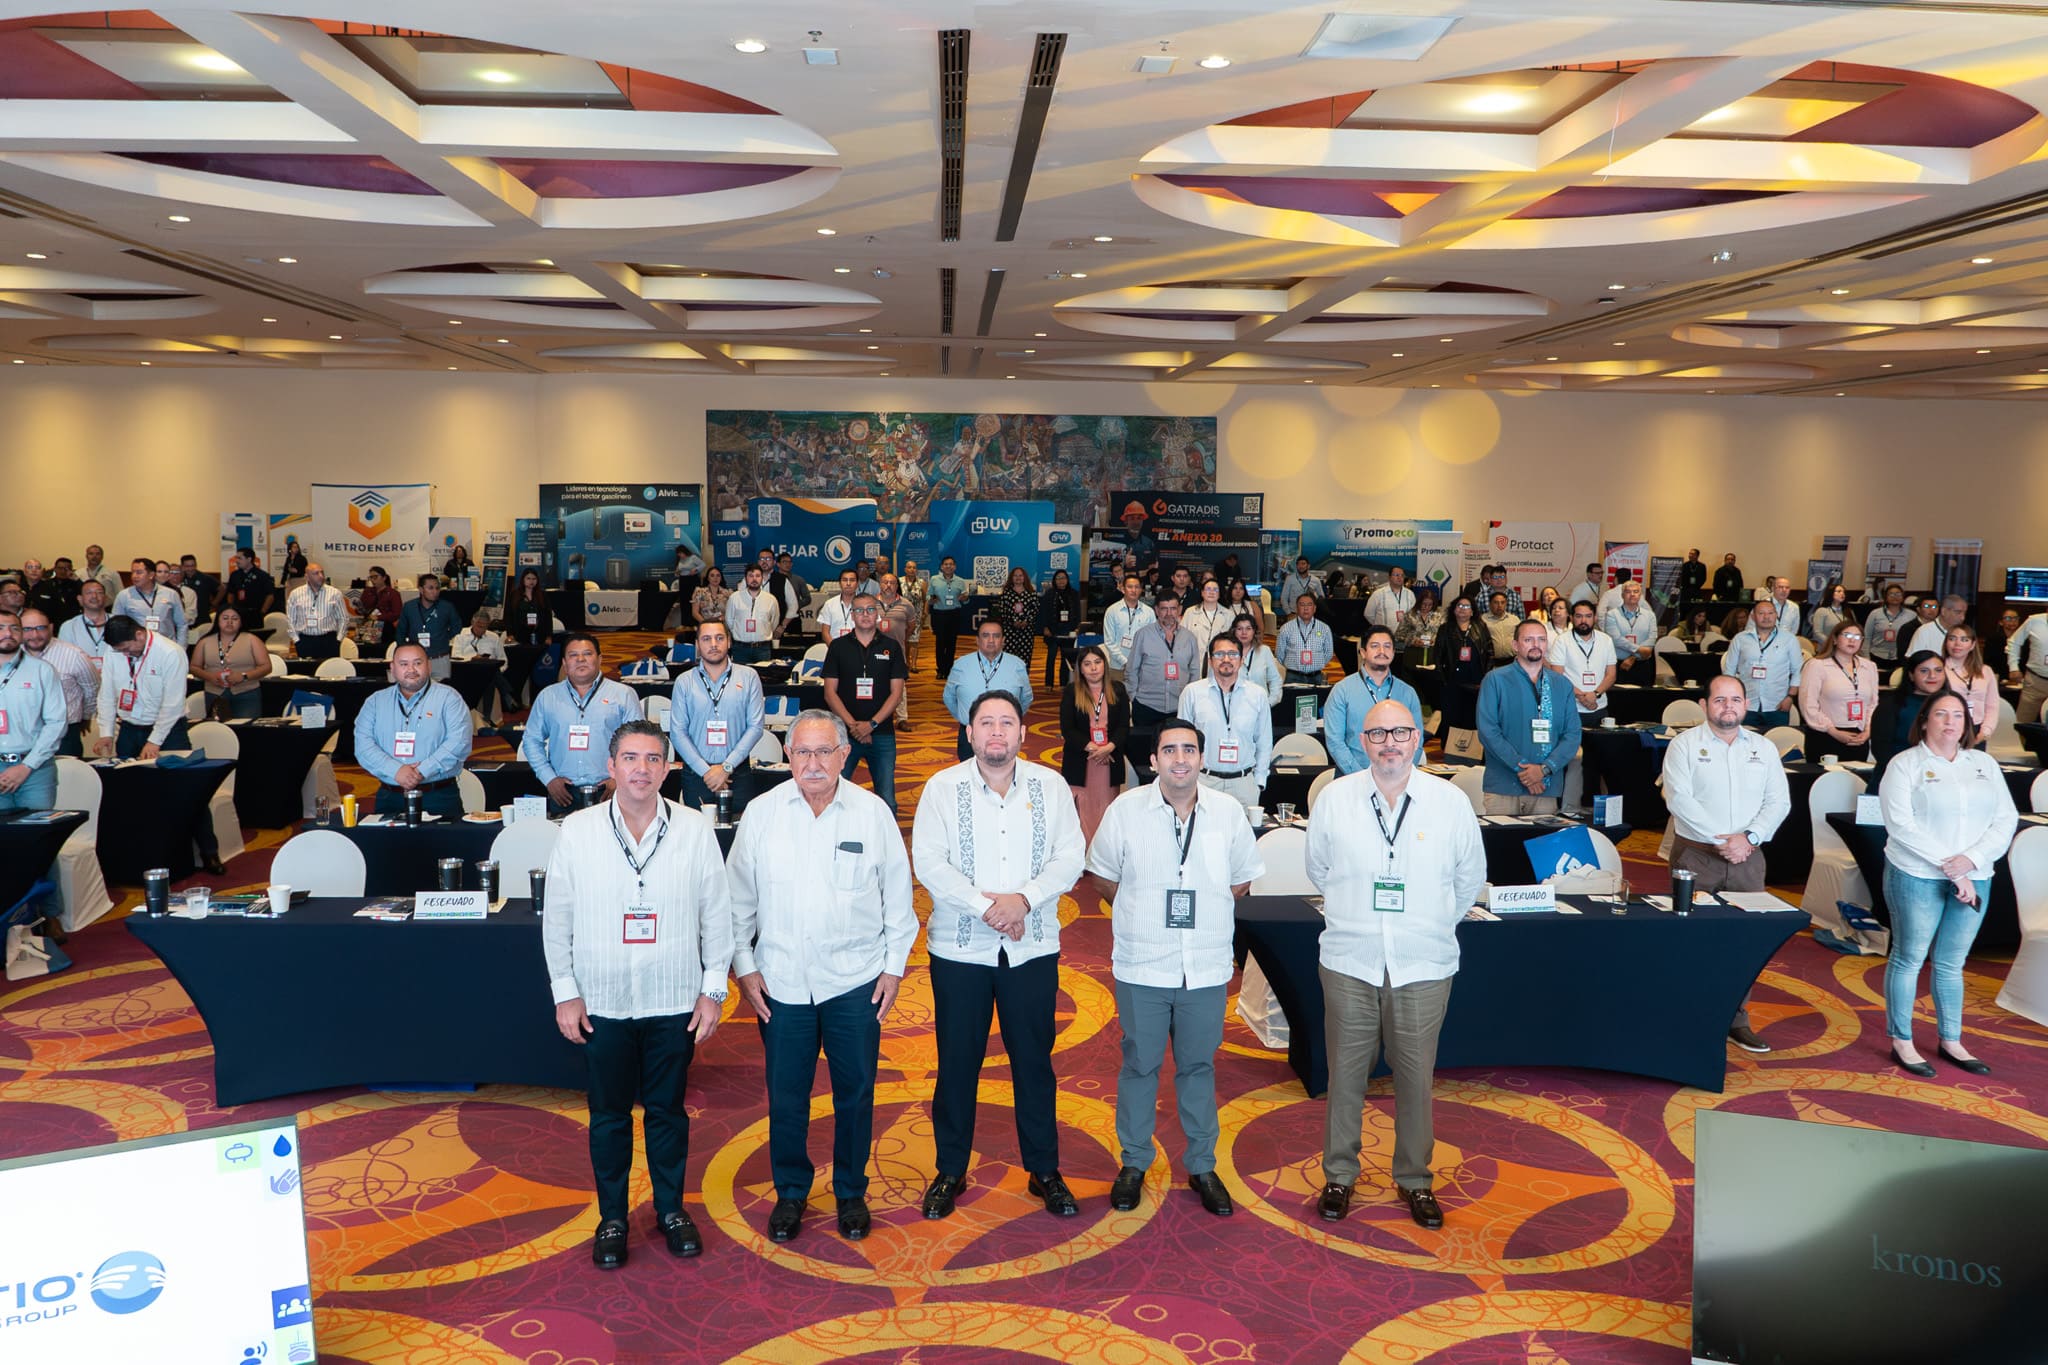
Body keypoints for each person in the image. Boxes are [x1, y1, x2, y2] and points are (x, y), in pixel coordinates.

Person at [544, 720, 731, 1268]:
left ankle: (671, 1209)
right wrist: (565, 993)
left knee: (667, 1112)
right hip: (601, 999)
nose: (641, 770)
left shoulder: (694, 829)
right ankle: (613, 1218)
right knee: (608, 1115)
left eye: (653, 759)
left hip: (674, 997)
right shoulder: (578, 830)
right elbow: (558, 919)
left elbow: (717, 914)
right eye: (630, 758)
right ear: (611, 767)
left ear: (668, 768)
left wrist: (713, 990)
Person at [726, 709, 915, 1245]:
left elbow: (899, 899)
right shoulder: (761, 814)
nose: (813, 763)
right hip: (781, 983)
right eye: (803, 752)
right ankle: (791, 1192)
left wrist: (893, 969)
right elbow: (737, 901)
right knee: (787, 1096)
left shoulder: (872, 814)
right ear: (788, 756)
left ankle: (851, 1191)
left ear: (844, 755)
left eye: (824, 751)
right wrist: (746, 967)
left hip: (855, 983)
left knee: (856, 1093)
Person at [1309, 698, 1484, 1230]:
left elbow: (1468, 878)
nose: (1390, 743)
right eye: (1378, 734)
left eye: (1400, 732)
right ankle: (1339, 1175)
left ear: (1417, 739)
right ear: (1363, 742)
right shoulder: (1335, 798)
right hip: (1350, 960)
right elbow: (1318, 870)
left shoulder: (1449, 802)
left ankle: (1414, 1178)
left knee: (1415, 1078)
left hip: (1422, 964)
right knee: (1344, 1077)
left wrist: (1427, 924)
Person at [911, 690, 1086, 1221]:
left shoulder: (1051, 786)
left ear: (1022, 734)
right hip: (960, 949)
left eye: (1006, 723)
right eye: (985, 723)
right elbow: (929, 862)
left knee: (1033, 1062)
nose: (996, 732)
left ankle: (1044, 1169)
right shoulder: (942, 788)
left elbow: (1070, 856)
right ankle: (950, 1168)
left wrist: (1024, 901)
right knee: (956, 1062)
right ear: (969, 733)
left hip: (1031, 948)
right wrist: (988, 908)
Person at [1087, 719, 1264, 1218]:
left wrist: (1206, 913)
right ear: (1153, 760)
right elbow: (1102, 875)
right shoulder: (1125, 811)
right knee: (1139, 1065)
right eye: (1169, 750)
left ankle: (1202, 1165)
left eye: (1189, 749)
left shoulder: (1227, 813)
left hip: (1204, 966)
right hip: (1142, 963)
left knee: (1198, 1067)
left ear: (1201, 759)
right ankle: (1134, 1162)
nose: (1180, 759)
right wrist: (1139, 911)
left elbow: (1241, 881)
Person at [1878, 690, 2018, 1079]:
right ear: (1925, 721)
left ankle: (1951, 1039)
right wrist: (1953, 868)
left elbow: (2005, 819)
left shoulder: (1983, 763)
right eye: (1941, 714)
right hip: (1916, 874)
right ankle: (1902, 1039)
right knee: (1909, 957)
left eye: (1958, 715)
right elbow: (1901, 825)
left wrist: (1971, 860)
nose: (1950, 722)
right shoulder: (1905, 764)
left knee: (1952, 962)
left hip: (1976, 875)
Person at [1660, 675, 1792, 1054]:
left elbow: (1778, 802)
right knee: (1691, 941)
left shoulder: (1763, 748)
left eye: (1735, 699)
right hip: (1697, 856)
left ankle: (1737, 1019)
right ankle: (1686, 1017)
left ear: (1746, 705)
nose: (1728, 707)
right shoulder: (1684, 745)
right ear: (1705, 705)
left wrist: (1748, 838)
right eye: (1719, 700)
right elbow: (1679, 800)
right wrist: (1724, 841)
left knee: (1743, 942)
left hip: (1748, 857)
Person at [523, 634, 640, 814]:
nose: (580, 659)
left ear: (599, 659)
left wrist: (620, 778)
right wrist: (549, 779)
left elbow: (638, 743)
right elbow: (531, 740)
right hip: (563, 793)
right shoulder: (548, 697)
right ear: (564, 663)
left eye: (587, 653)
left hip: (610, 790)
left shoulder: (623, 694)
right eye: (573, 655)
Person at [354, 642, 473, 819]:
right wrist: (396, 771)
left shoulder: (449, 698)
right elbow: (363, 746)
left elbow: (459, 743)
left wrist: (421, 771)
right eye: (404, 664)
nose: (411, 669)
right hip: (390, 797)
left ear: (429, 665)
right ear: (392, 668)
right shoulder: (375, 702)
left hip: (438, 796)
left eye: (418, 663)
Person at [1475, 618, 1580, 815]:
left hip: (1546, 786)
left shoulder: (1562, 684)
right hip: (1503, 786)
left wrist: (1543, 770)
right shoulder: (1495, 680)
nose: (1536, 645)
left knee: (1543, 836)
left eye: (1541, 639)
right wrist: (1524, 770)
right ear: (1515, 645)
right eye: (1528, 640)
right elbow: (1488, 732)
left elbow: (1572, 735)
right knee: (1501, 837)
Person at [668, 620, 765, 815]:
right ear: (697, 645)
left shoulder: (749, 677)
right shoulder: (684, 682)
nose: (713, 644)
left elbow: (755, 726)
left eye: (719, 638)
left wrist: (726, 767)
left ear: (729, 641)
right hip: (696, 774)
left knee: (739, 830)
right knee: (698, 830)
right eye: (706, 639)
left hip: (737, 772)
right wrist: (706, 771)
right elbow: (677, 732)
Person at [821, 593, 907, 810]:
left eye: (870, 609)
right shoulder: (838, 647)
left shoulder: (891, 647)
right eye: (859, 610)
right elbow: (830, 693)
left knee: (887, 799)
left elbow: (896, 694)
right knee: (835, 796)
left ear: (877, 614)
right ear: (852, 615)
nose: (865, 614)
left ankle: (887, 834)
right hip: (844, 735)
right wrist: (854, 726)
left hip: (882, 733)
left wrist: (872, 724)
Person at [1176, 634, 1272, 808]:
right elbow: (1182, 742)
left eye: (1232, 654)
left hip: (1244, 784)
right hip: (1205, 781)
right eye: (1219, 654)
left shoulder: (1257, 695)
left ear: (1241, 660)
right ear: (1210, 660)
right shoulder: (1192, 693)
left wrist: (1259, 781)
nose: (1226, 659)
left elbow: (1264, 742)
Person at [1325, 625, 1424, 775]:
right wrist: (1362, 778)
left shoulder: (1407, 693)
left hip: (1397, 780)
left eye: (1387, 646)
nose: (1382, 651)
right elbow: (1335, 742)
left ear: (1393, 652)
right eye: (1375, 646)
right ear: (1363, 652)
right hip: (1352, 779)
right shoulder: (1342, 690)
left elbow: (1417, 741)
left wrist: (1401, 774)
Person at [93, 616, 192, 762]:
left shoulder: (170, 653)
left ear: (139, 635)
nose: (125, 654)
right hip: (129, 728)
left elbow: (173, 703)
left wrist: (155, 741)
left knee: (171, 774)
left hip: (168, 729)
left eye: (126, 649)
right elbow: (106, 694)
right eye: (120, 650)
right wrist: (106, 732)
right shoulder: (113, 651)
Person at [1549, 599, 1616, 807]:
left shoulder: (1605, 640)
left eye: (1588, 616)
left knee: (1596, 760)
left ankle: (1590, 805)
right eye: (1578, 616)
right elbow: (1557, 675)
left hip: (1598, 708)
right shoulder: (1562, 641)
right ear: (1571, 618)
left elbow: (1611, 674)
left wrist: (1595, 694)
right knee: (1565, 759)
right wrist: (1581, 696)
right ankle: (1561, 805)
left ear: (1594, 618)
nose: (1583, 620)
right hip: (1570, 710)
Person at [0, 609, 67, 814]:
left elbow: (57, 722)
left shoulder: (42, 670)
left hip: (35, 769)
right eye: (0, 628)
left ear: (21, 634)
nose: (8, 633)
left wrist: (26, 766)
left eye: (14, 628)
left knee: (36, 830)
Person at [1060, 644, 1128, 842]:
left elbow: (1124, 726)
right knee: (1082, 811)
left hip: (1109, 760)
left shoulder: (1118, 689)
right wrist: (1094, 748)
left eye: (1097, 662)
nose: (1093, 668)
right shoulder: (1072, 691)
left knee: (1107, 809)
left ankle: (1104, 851)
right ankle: (1083, 851)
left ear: (1104, 665)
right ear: (1080, 669)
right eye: (1087, 664)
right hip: (1082, 759)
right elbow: (1067, 729)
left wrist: (1109, 747)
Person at [941, 618, 1034, 761]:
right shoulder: (961, 665)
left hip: (1005, 735)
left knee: (1003, 772)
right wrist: (964, 718)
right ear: (977, 640)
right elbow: (949, 697)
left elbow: (1026, 698)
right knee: (969, 772)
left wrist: (1011, 719)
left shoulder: (1017, 665)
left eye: (996, 636)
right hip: (970, 734)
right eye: (985, 635)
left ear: (1003, 640)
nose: (991, 640)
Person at [1798, 620, 1880, 761]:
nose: (1852, 640)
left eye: (1857, 637)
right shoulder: (1817, 665)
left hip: (1859, 736)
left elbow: (1873, 704)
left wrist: (1868, 730)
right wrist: (1833, 731)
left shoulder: (1869, 666)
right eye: (1847, 635)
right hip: (1825, 735)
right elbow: (1808, 705)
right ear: (1835, 639)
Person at [19, 609, 96, 757]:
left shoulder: (74, 655)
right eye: (27, 629)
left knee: (67, 771)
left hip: (65, 734)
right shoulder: (10, 656)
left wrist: (85, 717)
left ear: (51, 628)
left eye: (40, 628)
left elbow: (91, 690)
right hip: (24, 732)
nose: (35, 635)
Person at [1720, 598, 1802, 728]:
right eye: (1761, 613)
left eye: (1770, 613)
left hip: (1778, 704)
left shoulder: (1789, 639)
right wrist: (1732, 699)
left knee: (1776, 740)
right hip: (1746, 704)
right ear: (1753, 616)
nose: (1766, 617)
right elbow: (1729, 671)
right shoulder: (1740, 639)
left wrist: (1791, 697)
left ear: (1776, 615)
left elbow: (1797, 671)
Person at [1124, 595, 1198, 735]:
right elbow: (1131, 669)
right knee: (1145, 747)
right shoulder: (1143, 635)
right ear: (1157, 610)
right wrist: (1133, 696)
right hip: (1147, 706)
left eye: (1173, 609)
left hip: (1179, 708)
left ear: (1179, 610)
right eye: (1164, 609)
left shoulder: (1190, 638)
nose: (1169, 613)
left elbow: (1194, 671)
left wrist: (1190, 701)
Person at [1870, 651, 1949, 771]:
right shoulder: (1891, 704)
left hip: (1940, 773)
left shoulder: (1952, 703)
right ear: (1911, 675)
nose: (1932, 676)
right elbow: (1881, 749)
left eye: (1938, 670)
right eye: (1924, 671)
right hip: (1898, 772)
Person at [189, 605, 270, 721]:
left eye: (235, 618)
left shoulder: (252, 640)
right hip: (215, 693)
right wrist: (210, 677)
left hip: (247, 692)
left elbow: (266, 667)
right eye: (225, 618)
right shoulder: (205, 642)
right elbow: (194, 667)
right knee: (217, 729)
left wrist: (243, 676)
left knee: (246, 729)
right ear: (218, 620)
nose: (230, 622)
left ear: (241, 622)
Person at [1432, 595, 1491, 745]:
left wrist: (1486, 677)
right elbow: (1437, 655)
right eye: (1459, 605)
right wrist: (1442, 679)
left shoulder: (1480, 627)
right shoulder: (1445, 629)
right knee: (1451, 717)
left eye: (1466, 606)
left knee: (1472, 717)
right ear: (1453, 609)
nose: (1462, 609)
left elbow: (1489, 652)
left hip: (1476, 681)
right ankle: (1449, 750)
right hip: (1452, 680)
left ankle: (1472, 751)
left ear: (1472, 611)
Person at [1940, 623, 1999, 750]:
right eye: (1952, 639)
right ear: (1946, 643)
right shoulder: (1939, 670)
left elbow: (1992, 705)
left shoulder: (1986, 671)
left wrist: (1985, 731)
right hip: (1948, 727)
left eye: (1964, 640)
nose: (1957, 644)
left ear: (1972, 645)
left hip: (1977, 729)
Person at [395, 574, 464, 680]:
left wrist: (444, 638)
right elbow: (400, 632)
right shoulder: (409, 607)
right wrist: (406, 651)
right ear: (421, 589)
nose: (435, 592)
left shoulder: (447, 607)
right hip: (416, 659)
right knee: (416, 687)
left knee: (441, 689)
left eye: (437, 588)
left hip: (440, 657)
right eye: (430, 588)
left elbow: (457, 626)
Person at [112, 557, 187, 647]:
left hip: (166, 646)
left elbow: (182, 624)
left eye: (139, 572)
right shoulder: (124, 596)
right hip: (137, 648)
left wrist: (181, 647)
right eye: (132, 572)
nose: (134, 576)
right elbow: (116, 625)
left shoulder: (171, 594)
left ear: (151, 575)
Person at [285, 561, 349, 660]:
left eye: (322, 572)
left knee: (329, 669)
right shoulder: (295, 594)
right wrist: (296, 640)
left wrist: (338, 640)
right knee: (307, 669)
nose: (321, 576)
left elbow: (343, 618)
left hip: (329, 640)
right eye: (316, 573)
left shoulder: (335, 593)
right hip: (305, 640)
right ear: (307, 577)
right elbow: (290, 620)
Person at [1101, 574, 1155, 684]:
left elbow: (1152, 640)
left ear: (1141, 590)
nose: (1133, 590)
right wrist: (1126, 662)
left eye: (1137, 587)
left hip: (1141, 667)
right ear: (1123, 589)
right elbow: (1109, 642)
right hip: (1118, 666)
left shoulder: (1149, 612)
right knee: (1117, 694)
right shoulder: (1112, 611)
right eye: (1130, 587)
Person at [723, 563, 780, 665]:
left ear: (762, 578)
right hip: (740, 648)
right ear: (746, 578)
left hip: (763, 648)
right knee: (740, 675)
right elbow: (729, 620)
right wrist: (738, 632)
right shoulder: (735, 598)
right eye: (751, 576)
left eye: (757, 576)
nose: (754, 579)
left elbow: (774, 621)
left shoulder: (771, 599)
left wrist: (763, 631)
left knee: (763, 674)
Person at [1604, 580, 1658, 684]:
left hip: (1643, 665)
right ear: (1622, 595)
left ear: (1640, 595)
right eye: (1628, 592)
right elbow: (1616, 639)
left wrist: (1633, 657)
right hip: (1620, 664)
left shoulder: (1650, 615)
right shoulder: (1612, 615)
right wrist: (1638, 649)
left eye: (1636, 591)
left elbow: (1651, 639)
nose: (1632, 594)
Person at [1275, 593, 1334, 685]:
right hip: (1293, 676)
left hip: (1316, 677)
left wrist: (1316, 664)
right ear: (1296, 608)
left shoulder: (1324, 628)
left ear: (1314, 608)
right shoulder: (1286, 628)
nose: (1306, 608)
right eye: (1302, 605)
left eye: (1309, 605)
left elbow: (1328, 653)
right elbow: (1280, 655)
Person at [928, 556, 971, 676]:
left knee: (951, 642)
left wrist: (965, 598)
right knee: (940, 642)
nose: (948, 566)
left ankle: (949, 669)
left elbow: (965, 599)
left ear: (955, 567)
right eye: (946, 564)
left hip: (954, 614)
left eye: (951, 564)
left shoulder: (960, 581)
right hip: (939, 614)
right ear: (942, 567)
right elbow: (928, 596)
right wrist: (931, 599)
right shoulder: (934, 579)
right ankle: (940, 669)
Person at [59, 579, 114, 670]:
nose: (94, 596)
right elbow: (64, 660)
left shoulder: (119, 623)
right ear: (80, 599)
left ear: (105, 598)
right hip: (80, 676)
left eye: (99, 592)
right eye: (89, 593)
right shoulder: (69, 627)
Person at [993, 566, 1041, 667]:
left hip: (1026, 632)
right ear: (1011, 578)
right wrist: (1013, 622)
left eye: (1020, 575)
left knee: (1025, 658)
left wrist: (1026, 621)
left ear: (1025, 577)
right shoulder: (1006, 593)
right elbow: (1002, 610)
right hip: (1010, 631)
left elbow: (1035, 610)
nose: (1018, 577)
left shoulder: (1032, 593)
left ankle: (1023, 676)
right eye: (1015, 575)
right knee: (1008, 658)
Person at [2008, 606, 2048, 722]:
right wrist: (2013, 667)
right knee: (2022, 722)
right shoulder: (2034, 621)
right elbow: (2014, 642)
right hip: (2035, 681)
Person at [1230, 613, 1282, 700]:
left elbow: (1275, 680)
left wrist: (1270, 702)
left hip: (1261, 703)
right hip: (1235, 704)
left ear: (1254, 631)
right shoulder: (1227, 653)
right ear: (1234, 631)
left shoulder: (1264, 651)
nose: (1244, 633)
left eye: (1248, 628)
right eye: (1239, 629)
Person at [1183, 578, 1232, 668]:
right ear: (1202, 593)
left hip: (1220, 660)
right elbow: (1182, 637)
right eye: (1208, 589)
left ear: (1219, 594)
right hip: (1193, 659)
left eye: (1215, 590)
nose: (1211, 592)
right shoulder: (1190, 612)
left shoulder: (1228, 615)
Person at [221, 548, 276, 625]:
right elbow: (231, 593)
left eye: (240, 558)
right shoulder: (234, 575)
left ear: (249, 559)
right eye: (236, 558)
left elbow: (270, 596)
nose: (236, 561)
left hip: (256, 613)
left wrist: (262, 612)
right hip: (238, 613)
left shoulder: (262, 575)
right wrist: (230, 608)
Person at [1863, 585, 1914, 665]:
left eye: (1898, 594)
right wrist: (1866, 657)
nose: (1895, 596)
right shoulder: (1875, 613)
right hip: (1876, 655)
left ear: (1903, 597)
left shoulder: (1911, 615)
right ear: (1886, 597)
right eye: (1891, 594)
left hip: (1901, 657)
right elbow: (1867, 636)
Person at [502, 568, 553, 648]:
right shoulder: (514, 594)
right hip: (519, 635)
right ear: (523, 579)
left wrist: (549, 636)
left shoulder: (542, 595)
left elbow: (548, 616)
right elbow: (508, 615)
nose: (531, 581)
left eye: (534, 579)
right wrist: (510, 634)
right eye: (528, 578)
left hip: (539, 635)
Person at [1909, 594, 1968, 659]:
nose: (1962, 618)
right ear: (1943, 611)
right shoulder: (1924, 631)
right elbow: (1912, 659)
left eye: (1964, 613)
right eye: (1958, 612)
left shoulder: (1964, 633)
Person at [1364, 566, 1416, 633]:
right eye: (1397, 575)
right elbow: (1368, 614)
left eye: (1402, 575)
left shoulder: (1410, 594)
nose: (1400, 577)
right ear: (1389, 577)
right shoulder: (1378, 594)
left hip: (1405, 635)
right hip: (1384, 635)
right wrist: (1379, 627)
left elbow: (1414, 614)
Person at [359, 565, 403, 642]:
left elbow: (397, 614)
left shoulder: (393, 593)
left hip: (386, 627)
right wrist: (359, 609)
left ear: (384, 578)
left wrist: (379, 617)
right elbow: (363, 607)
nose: (373, 580)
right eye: (371, 577)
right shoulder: (367, 591)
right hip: (368, 626)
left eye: (375, 577)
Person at [816, 569, 861, 641]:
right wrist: (834, 647)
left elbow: (872, 630)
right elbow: (825, 633)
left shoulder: (865, 604)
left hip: (859, 646)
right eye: (845, 580)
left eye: (852, 580)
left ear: (857, 583)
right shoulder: (829, 604)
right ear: (839, 583)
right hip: (834, 645)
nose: (848, 583)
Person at [1480, 591, 1520, 656]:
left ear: (1506, 604)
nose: (1499, 605)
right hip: (1491, 660)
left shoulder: (1514, 619)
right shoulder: (1482, 620)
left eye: (1502, 602)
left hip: (1512, 658)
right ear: (1490, 604)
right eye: (1496, 602)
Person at [1764, 575, 1800, 640]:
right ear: (1772, 589)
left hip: (1786, 642)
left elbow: (1794, 631)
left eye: (1787, 587)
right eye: (1780, 587)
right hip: (1765, 641)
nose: (1784, 590)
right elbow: (1751, 629)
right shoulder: (1762, 606)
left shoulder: (1794, 607)